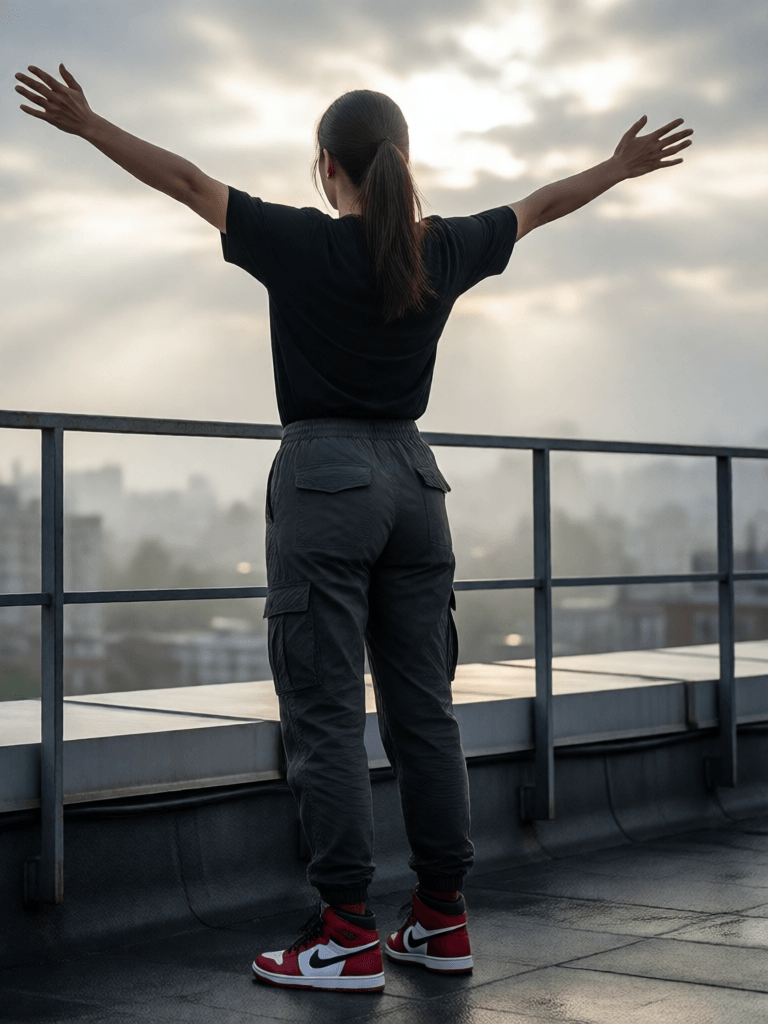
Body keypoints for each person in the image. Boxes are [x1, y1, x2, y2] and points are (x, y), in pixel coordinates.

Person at [15, 63, 693, 994]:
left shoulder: (298, 244)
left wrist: (90, 124)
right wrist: (617, 167)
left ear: (328, 167)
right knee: (425, 712)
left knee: (327, 716)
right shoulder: (441, 249)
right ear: (402, 165)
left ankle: (345, 934)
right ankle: (441, 921)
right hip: (418, 482)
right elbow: (537, 207)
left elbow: (185, 181)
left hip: (326, 478)